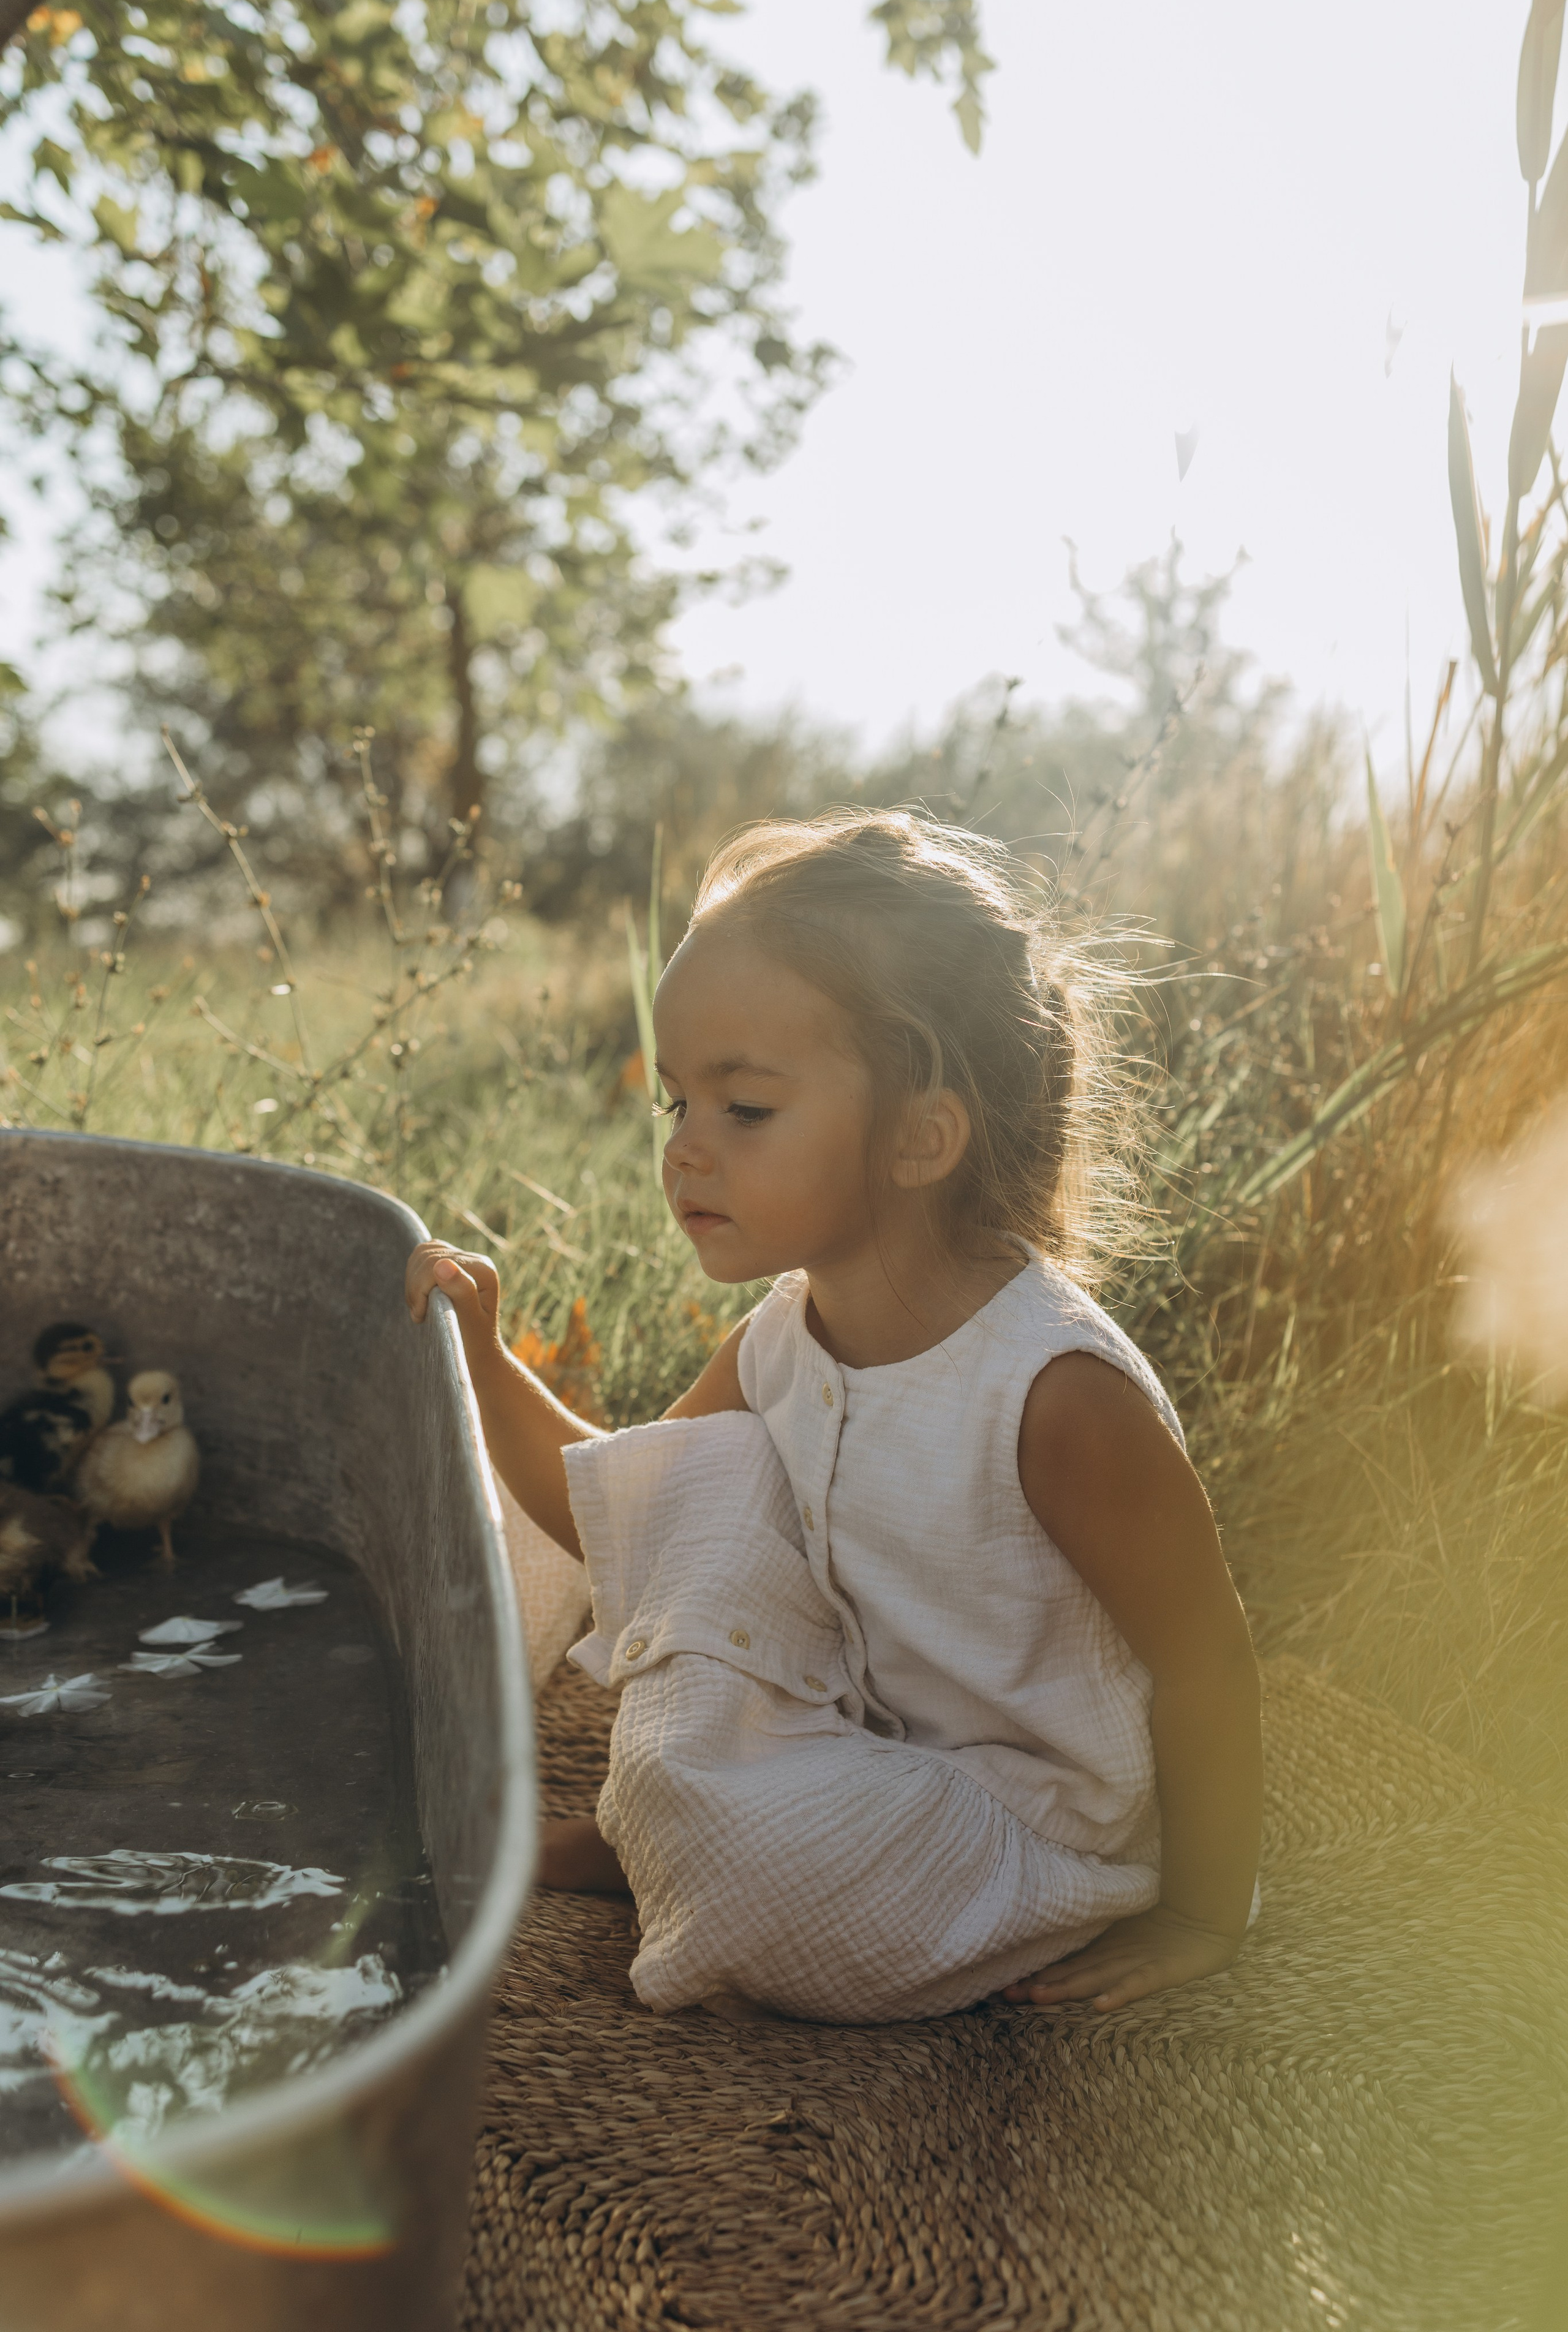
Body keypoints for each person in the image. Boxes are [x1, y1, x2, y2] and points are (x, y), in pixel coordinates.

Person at [406, 811, 1261, 2023]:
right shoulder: (781, 1333)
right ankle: (666, 1831)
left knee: (767, 1871)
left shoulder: (1055, 1392)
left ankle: (701, 1841)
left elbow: (1204, 1659)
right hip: (860, 1731)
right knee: (693, 1488)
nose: (686, 1153)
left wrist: (1199, 1916)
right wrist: (481, 1354)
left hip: (1009, 1815)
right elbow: (614, 1513)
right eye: (674, 1107)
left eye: (742, 1110)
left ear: (920, 1137)